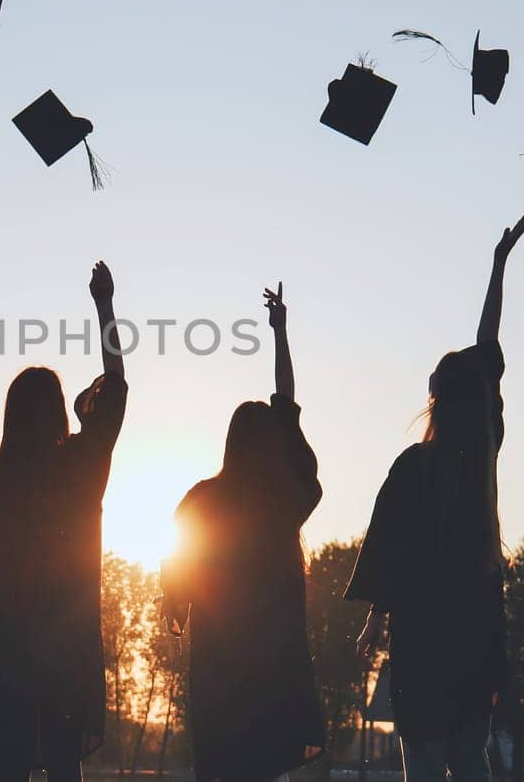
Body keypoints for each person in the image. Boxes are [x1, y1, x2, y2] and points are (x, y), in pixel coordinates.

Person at [345, 215, 524, 782]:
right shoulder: (484, 460)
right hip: (476, 630)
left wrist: (376, 618)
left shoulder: (413, 466)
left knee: (422, 765)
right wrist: (499, 267)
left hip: (423, 638)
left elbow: (388, 548)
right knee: (470, 761)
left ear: (433, 400)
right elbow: (489, 347)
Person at [0, 261, 129, 782]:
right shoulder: (79, 467)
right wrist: (104, 306)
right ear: (59, 411)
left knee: (11, 766)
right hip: (68, 642)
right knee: (63, 761)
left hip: (6, 645)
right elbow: (117, 387)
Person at [161, 282, 325, 782]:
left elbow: (178, 573)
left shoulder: (202, 501)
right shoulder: (280, 507)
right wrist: (280, 335)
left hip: (218, 675)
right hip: (275, 673)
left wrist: (177, 607)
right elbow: (288, 410)